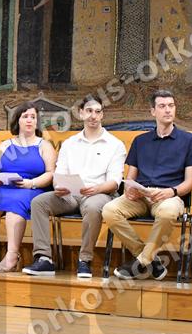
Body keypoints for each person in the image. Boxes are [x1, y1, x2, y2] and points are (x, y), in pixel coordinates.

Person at [102, 90, 192, 280]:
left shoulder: (189, 140)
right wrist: (130, 190)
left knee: (167, 212)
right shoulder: (140, 141)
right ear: (153, 111)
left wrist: (171, 192)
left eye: (171, 106)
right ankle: (151, 260)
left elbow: (190, 182)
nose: (168, 110)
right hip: (141, 196)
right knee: (109, 210)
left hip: (170, 195)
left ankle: (140, 262)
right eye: (162, 106)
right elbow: (130, 177)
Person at [23, 97, 126, 278]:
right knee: (39, 202)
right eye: (89, 111)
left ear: (102, 115)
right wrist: (59, 187)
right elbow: (59, 174)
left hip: (99, 194)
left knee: (93, 207)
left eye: (97, 111)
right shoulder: (70, 143)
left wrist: (97, 189)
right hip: (70, 195)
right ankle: (44, 258)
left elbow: (115, 182)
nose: (93, 116)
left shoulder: (115, 144)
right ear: (80, 113)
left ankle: (84, 260)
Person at [0, 102, 56, 272]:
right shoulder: (6, 145)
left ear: (37, 122)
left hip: (31, 188)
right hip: (3, 187)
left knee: (14, 208)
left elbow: (50, 173)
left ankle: (12, 255)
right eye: (25, 116)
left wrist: (31, 183)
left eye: (33, 117)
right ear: (17, 121)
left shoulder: (44, 145)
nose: (29, 120)